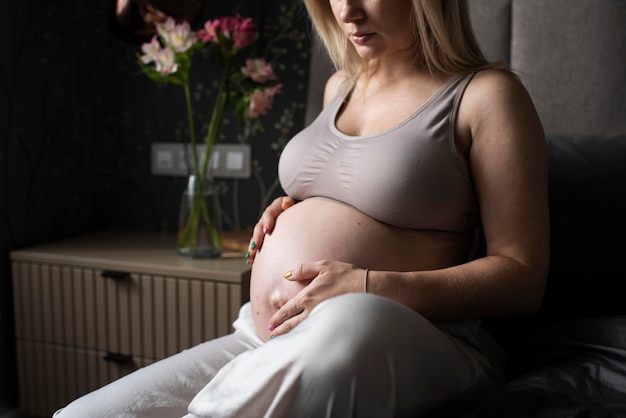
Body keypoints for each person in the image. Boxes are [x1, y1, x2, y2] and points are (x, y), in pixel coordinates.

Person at [54, 0, 549, 416]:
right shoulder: (341, 85)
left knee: (351, 319)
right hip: (268, 333)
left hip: (408, 338)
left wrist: (370, 284)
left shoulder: (487, 95)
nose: (347, 12)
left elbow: (522, 277)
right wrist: (297, 204)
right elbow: (364, 187)